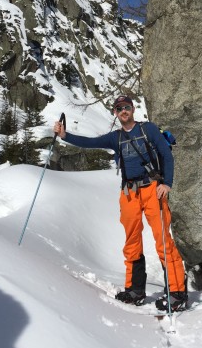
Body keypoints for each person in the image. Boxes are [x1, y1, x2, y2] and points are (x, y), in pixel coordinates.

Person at [53, 95, 187, 312]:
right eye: (119, 108)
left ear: (133, 109)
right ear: (115, 113)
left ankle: (177, 292)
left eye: (126, 107)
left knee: (162, 239)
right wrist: (64, 135)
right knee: (131, 241)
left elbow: (166, 154)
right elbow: (90, 143)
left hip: (153, 189)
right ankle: (135, 291)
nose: (123, 111)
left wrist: (167, 184)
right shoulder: (115, 138)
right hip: (129, 193)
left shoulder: (148, 130)